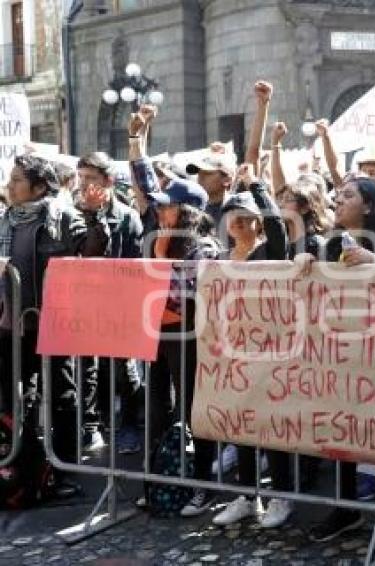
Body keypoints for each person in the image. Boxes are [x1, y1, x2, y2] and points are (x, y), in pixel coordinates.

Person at [128, 105, 222, 516]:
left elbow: (190, 297)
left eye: (168, 206)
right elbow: (144, 183)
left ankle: (202, 485)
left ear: (186, 212)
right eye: (161, 205)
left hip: (187, 336)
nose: (159, 208)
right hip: (157, 335)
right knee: (157, 408)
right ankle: (159, 481)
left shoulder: (203, 249)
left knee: (191, 409)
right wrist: (137, 139)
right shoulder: (158, 232)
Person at [0, 154, 110, 498]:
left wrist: (94, 216)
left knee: (62, 395)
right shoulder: (6, 219)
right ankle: (28, 464)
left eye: (18, 180)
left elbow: (92, 249)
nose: (11, 185)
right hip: (11, 323)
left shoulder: (61, 215)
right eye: (11, 178)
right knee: (18, 397)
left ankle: (63, 469)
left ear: (39, 187)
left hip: (54, 321)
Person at [308, 177, 375, 542]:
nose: (338, 200)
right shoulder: (332, 243)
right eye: (338, 195)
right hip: (342, 353)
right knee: (342, 430)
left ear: (369, 205)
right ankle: (346, 509)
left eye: (348, 196)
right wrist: (307, 263)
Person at [208, 165, 296, 529]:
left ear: (258, 222)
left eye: (247, 219)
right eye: (234, 219)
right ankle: (247, 496)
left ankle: (282, 496)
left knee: (272, 427)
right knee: (241, 426)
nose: (239, 225)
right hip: (234, 353)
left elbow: (277, 226)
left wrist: (256, 186)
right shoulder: (222, 259)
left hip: (271, 351)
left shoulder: (270, 251)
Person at [75, 151, 145, 455]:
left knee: (122, 366)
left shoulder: (126, 217)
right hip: (83, 304)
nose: (84, 185)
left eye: (91, 179)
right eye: (81, 178)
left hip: (117, 304)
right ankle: (94, 425)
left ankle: (128, 425)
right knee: (88, 368)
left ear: (108, 181)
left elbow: (133, 261)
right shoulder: (73, 212)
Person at [186, 152, 236, 228]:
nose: (201, 177)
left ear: (226, 180)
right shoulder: (191, 210)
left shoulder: (239, 208)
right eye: (199, 173)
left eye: (207, 173)